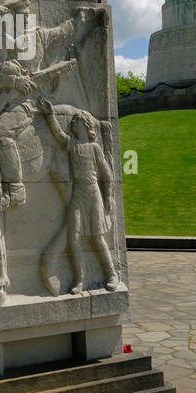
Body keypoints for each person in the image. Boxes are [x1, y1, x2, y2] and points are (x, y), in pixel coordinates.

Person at [0, 0, 99, 210]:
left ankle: (16, 189)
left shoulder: (40, 35)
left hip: (30, 102)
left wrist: (79, 19)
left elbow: (63, 33)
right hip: (9, 97)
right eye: (21, 17)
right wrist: (15, 81)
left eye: (27, 16)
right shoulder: (3, 41)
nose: (26, 20)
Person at [42, 110, 125, 296]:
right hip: (78, 195)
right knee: (73, 238)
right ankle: (80, 279)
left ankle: (111, 275)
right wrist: (49, 115)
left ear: (86, 125)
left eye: (76, 121)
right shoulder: (72, 144)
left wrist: (109, 196)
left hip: (93, 193)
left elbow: (106, 173)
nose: (72, 123)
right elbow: (58, 134)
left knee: (97, 237)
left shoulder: (94, 147)